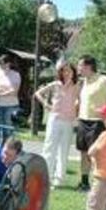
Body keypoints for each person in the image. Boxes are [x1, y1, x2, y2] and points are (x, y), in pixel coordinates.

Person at [35, 60, 80, 189]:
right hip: (54, 119)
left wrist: (77, 109)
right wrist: (46, 104)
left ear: (73, 72)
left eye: (69, 71)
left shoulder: (76, 86)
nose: (66, 73)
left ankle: (59, 179)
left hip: (68, 121)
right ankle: (46, 177)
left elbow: (80, 100)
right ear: (60, 72)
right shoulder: (56, 84)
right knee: (49, 148)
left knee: (64, 150)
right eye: (64, 70)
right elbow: (38, 93)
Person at [75, 55, 106, 192]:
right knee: (83, 153)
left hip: (97, 122)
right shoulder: (84, 82)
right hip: (83, 120)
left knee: (96, 154)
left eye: (80, 65)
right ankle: (84, 182)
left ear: (88, 67)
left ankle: (98, 183)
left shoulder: (103, 80)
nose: (78, 68)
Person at [0, 54, 21, 146]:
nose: (1, 66)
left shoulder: (16, 75)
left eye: (3, 63)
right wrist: (7, 91)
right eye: (0, 64)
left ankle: (5, 151)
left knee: (7, 131)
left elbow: (14, 92)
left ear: (9, 64)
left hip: (11, 106)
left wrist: (1, 92)